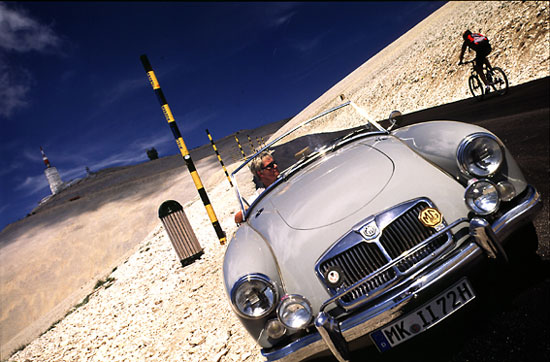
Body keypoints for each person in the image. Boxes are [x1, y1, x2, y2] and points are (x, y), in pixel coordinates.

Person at [234, 152, 280, 224]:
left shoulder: (288, 178)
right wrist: (248, 209)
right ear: (260, 173)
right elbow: (237, 218)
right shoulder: (259, 195)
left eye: (274, 163)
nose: (275, 166)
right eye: (270, 165)